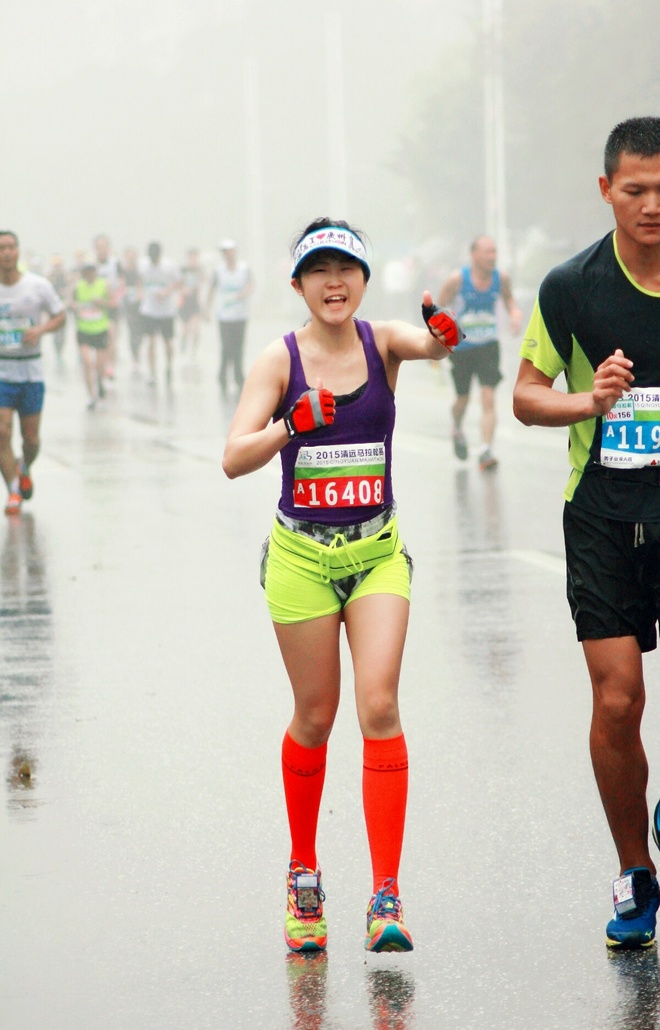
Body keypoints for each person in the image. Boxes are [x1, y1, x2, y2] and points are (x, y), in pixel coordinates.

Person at [223, 218, 456, 954]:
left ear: (362, 280)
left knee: (380, 703)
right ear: (297, 285)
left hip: (376, 553)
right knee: (316, 716)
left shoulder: (381, 340)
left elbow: (431, 346)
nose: (334, 282)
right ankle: (303, 874)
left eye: (346, 269)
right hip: (301, 558)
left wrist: (443, 335)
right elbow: (234, 456)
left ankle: (385, 894)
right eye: (318, 271)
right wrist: (289, 425)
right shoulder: (278, 358)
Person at [513, 116, 660, 949]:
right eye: (634, 190)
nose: (650, 206)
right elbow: (526, 396)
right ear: (606, 190)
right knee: (618, 699)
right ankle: (634, 872)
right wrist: (590, 402)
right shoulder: (571, 288)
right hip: (603, 514)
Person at [439, 235, 521, 470]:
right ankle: (456, 427)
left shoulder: (501, 278)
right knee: (462, 400)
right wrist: (438, 342)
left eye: (494, 252)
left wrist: (515, 315)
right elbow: (438, 310)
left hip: (488, 345)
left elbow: (510, 301)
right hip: (462, 348)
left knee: (488, 396)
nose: (492, 257)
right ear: (473, 254)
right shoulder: (457, 280)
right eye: (487, 252)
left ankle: (485, 450)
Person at [0, 231, 65, 515]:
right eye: (1, 248)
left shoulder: (37, 286)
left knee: (31, 440)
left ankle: (24, 466)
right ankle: (13, 490)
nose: (7, 253)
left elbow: (60, 315)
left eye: (11, 247)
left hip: (31, 373)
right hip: (3, 371)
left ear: (18, 251)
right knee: (1, 434)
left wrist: (39, 330)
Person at [207, 239, 253, 395]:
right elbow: (211, 290)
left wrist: (244, 293)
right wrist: (206, 309)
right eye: (225, 252)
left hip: (240, 314)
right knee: (226, 346)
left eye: (230, 251)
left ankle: (239, 376)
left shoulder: (244, 269)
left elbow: (251, 284)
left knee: (239, 346)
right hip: (224, 315)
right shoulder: (218, 271)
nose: (228, 254)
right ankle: (222, 376)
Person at [70, 255, 115, 409]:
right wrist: (75, 306)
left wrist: (101, 302)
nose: (89, 274)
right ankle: (91, 396)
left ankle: (100, 382)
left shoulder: (104, 285)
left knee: (99, 365)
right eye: (86, 272)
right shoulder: (78, 286)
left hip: (100, 329)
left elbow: (113, 303)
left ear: (96, 272)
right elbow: (71, 302)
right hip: (83, 330)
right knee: (87, 363)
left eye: (91, 271)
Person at [138, 241, 181, 387]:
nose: (153, 261)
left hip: (166, 311)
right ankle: (152, 372)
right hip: (149, 309)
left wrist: (167, 292)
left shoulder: (169, 266)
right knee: (150, 342)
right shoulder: (143, 265)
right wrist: (140, 294)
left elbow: (179, 282)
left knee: (167, 342)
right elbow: (138, 280)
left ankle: (169, 366)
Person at [93, 234, 122, 378]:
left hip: (111, 306)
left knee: (112, 335)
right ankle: (100, 363)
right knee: (99, 338)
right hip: (95, 307)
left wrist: (117, 297)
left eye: (104, 247)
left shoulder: (115, 264)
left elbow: (122, 283)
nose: (101, 250)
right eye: (99, 247)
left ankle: (111, 366)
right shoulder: (92, 266)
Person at [178, 247, 204, 360]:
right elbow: (177, 284)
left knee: (195, 328)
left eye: (195, 258)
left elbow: (204, 283)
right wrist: (183, 290)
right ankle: (183, 345)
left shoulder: (199, 270)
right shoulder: (183, 270)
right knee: (184, 329)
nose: (193, 260)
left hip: (195, 303)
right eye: (191, 258)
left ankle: (194, 350)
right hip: (184, 303)